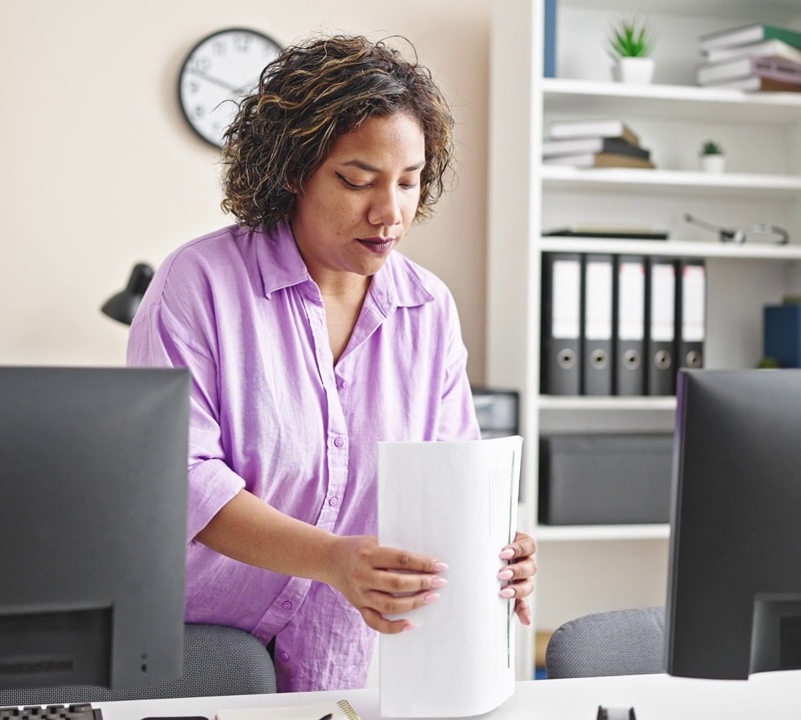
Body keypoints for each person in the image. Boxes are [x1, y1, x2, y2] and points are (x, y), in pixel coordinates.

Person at [126, 33, 537, 692]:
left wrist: (495, 547)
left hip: (338, 655)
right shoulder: (196, 283)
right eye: (357, 180)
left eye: (409, 181)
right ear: (293, 171)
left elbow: (450, 476)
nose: (391, 212)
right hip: (193, 643)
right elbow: (182, 479)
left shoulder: (426, 308)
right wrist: (331, 558)